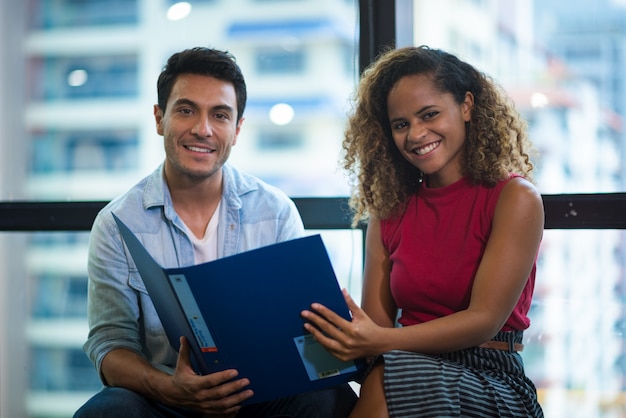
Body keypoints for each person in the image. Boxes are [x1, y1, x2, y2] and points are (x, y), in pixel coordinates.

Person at [74, 47, 357, 418]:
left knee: (331, 397)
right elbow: (111, 344)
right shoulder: (117, 224)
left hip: (262, 400)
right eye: (186, 110)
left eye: (219, 115)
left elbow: (306, 335)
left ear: (237, 129)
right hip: (167, 401)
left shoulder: (274, 213)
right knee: (108, 411)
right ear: (160, 119)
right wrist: (171, 389)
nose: (202, 129)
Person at [301, 45, 545, 417]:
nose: (415, 134)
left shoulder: (515, 197)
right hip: (400, 362)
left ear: (466, 106)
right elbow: (376, 326)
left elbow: (484, 320)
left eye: (429, 114)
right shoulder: (390, 209)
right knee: (306, 388)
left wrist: (383, 342)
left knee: (387, 377)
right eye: (401, 124)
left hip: (492, 377)